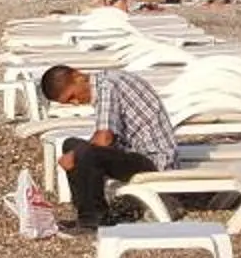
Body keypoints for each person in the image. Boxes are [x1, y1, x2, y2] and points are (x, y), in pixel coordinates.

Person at [39, 64, 176, 229]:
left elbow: (104, 139)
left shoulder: (107, 86)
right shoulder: (107, 82)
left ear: (78, 76)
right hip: (137, 154)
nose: (75, 103)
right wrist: (76, 152)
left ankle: (93, 219)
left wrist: (77, 154)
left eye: (72, 96)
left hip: (155, 160)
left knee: (85, 153)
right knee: (72, 145)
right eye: (69, 102)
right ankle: (86, 212)